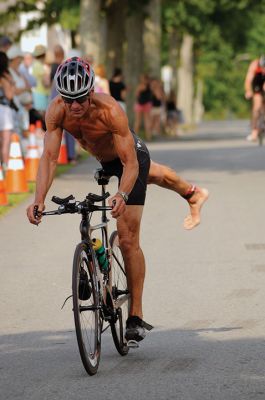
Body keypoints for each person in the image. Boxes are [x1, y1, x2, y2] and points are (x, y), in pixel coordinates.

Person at [26, 58, 209, 342]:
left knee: (127, 237)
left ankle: (135, 315)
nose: (74, 106)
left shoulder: (110, 110)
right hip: (103, 159)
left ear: (90, 91)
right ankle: (193, 193)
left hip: (129, 158)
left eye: (80, 99)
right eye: (68, 99)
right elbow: (49, 158)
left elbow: (131, 164)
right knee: (158, 175)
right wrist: (39, 199)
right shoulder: (56, 111)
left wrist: (122, 194)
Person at [0, 51, 16, 169]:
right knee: (6, 140)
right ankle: (5, 165)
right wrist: (13, 84)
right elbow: (9, 96)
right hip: (4, 110)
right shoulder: (4, 78)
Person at [244, 55, 265, 141]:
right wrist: (248, 91)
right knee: (257, 106)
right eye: (263, 67)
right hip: (257, 83)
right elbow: (248, 81)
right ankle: (254, 131)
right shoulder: (254, 65)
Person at [31, 44, 51, 117]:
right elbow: (46, 83)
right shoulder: (39, 65)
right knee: (44, 117)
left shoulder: (35, 64)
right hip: (42, 94)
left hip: (38, 93)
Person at [134, 74, 152, 141]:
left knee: (137, 121)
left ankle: (135, 138)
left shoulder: (141, 86)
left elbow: (137, 94)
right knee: (147, 121)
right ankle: (149, 137)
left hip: (139, 104)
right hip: (147, 104)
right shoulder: (149, 86)